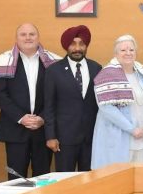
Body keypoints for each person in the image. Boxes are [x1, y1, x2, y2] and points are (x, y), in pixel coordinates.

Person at [0, 23, 61, 180]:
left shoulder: (54, 61)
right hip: (15, 129)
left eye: (32, 34)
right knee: (16, 180)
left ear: (38, 37)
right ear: (16, 38)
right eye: (23, 34)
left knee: (43, 178)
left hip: (44, 130)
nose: (28, 38)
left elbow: (58, 95)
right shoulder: (3, 61)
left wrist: (43, 118)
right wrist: (21, 118)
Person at [90, 35, 143, 168]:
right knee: (118, 177)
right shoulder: (106, 76)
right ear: (115, 54)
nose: (128, 53)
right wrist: (132, 129)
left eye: (131, 50)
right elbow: (106, 108)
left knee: (142, 175)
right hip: (118, 139)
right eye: (123, 50)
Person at [43, 25, 102, 171]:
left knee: (90, 179)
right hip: (64, 139)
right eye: (73, 44)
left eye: (81, 44)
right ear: (66, 46)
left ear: (86, 46)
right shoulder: (53, 71)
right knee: (65, 179)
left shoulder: (97, 68)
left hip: (91, 137)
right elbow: (48, 106)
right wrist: (50, 136)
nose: (77, 48)